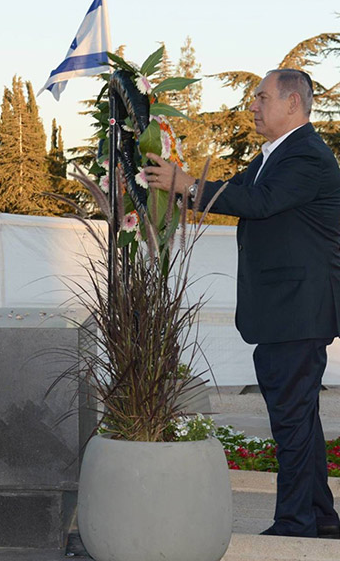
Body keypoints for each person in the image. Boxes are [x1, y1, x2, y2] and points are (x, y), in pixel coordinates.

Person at [144, 68, 340, 539]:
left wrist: (187, 184)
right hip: (284, 311)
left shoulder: (308, 156)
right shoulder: (273, 154)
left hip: (298, 311)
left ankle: (295, 525)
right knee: (300, 419)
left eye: (262, 97)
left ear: (294, 104)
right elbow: (233, 193)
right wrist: (172, 187)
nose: (252, 105)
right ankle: (322, 517)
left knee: (291, 421)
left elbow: (259, 202)